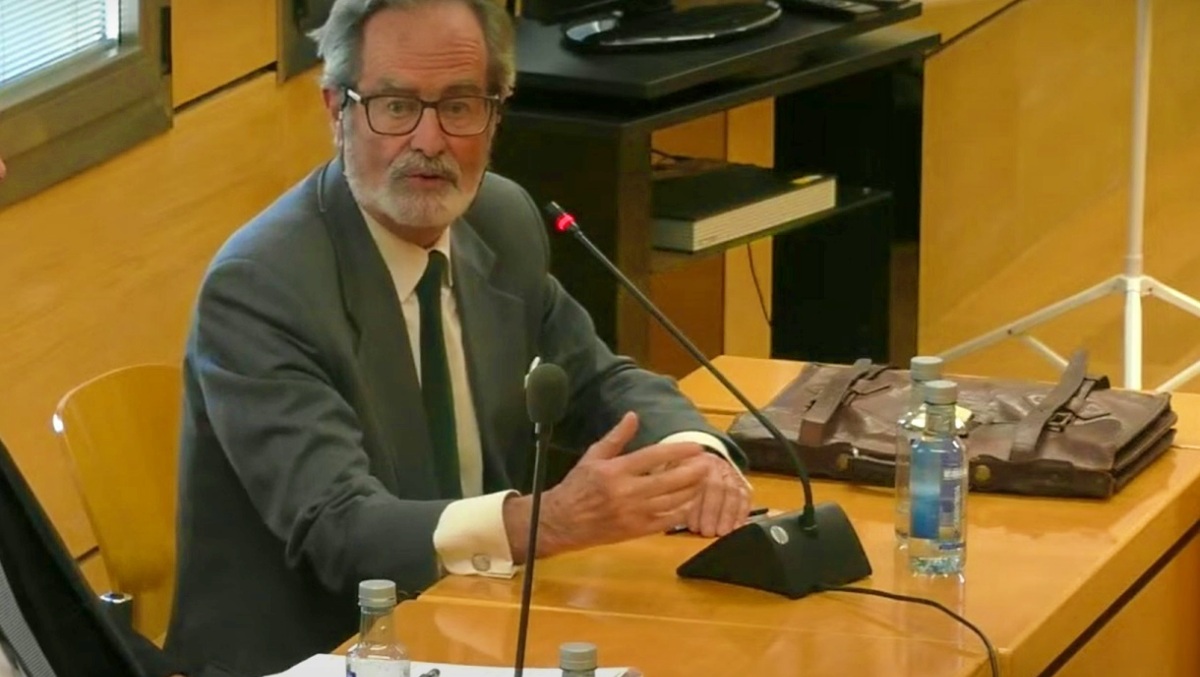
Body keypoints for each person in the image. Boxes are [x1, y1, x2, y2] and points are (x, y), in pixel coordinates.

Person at [166, 0, 752, 674]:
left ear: (496, 115)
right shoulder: (263, 286)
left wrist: (691, 456)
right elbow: (340, 527)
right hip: (325, 653)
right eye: (394, 106)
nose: (429, 139)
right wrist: (548, 520)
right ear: (336, 110)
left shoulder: (500, 220)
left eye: (459, 106)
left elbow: (599, 382)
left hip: (480, 624)